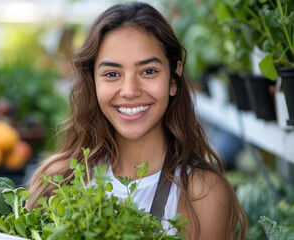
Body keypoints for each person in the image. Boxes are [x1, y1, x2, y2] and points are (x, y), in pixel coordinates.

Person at [26, 2, 247, 240]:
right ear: (93, 82)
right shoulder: (56, 181)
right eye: (112, 74)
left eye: (148, 71)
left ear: (174, 79)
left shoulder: (204, 194)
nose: (130, 91)